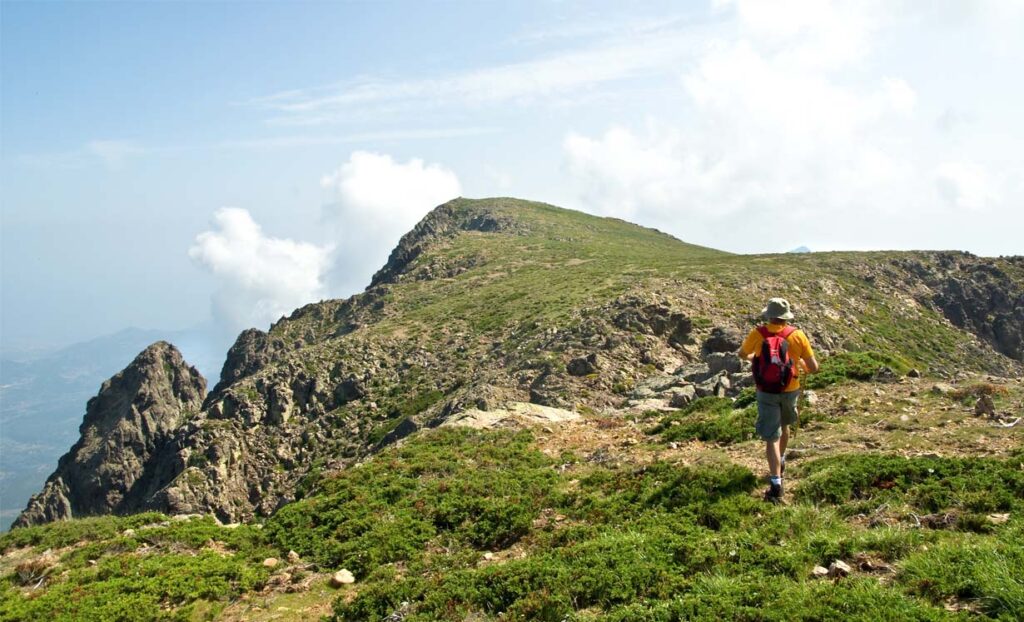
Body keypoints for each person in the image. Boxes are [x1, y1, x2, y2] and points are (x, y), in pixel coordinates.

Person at [738, 298, 819, 503]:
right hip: (790, 388)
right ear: (786, 316)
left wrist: (755, 359)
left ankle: (776, 484)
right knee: (784, 424)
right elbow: (813, 367)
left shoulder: (758, 333)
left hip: (766, 391)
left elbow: (742, 354)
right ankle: (781, 460)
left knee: (771, 437)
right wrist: (798, 362)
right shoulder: (797, 335)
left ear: (769, 316)